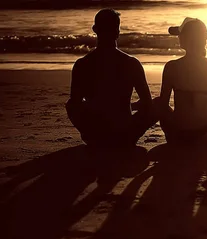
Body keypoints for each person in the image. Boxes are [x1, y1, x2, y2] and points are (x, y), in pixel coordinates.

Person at [66, 9, 159, 147]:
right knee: (157, 103)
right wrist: (129, 107)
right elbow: (147, 104)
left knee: (71, 105)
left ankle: (93, 136)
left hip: (97, 133)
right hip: (125, 134)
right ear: (117, 32)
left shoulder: (82, 64)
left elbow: (75, 104)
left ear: (95, 29)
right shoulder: (131, 63)